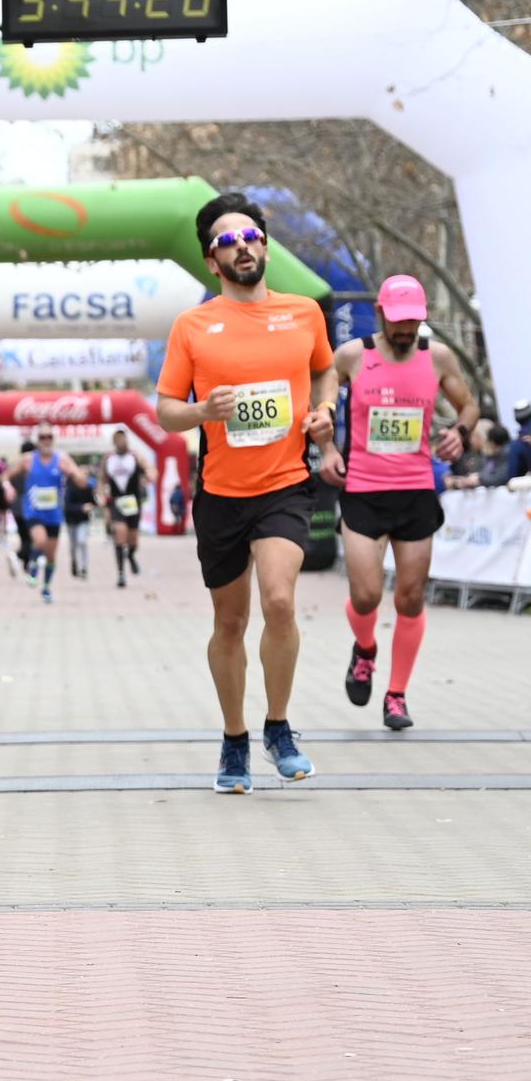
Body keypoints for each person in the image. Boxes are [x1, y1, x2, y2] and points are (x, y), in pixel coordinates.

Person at [156, 192, 335, 795]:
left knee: (280, 603)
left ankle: (278, 727)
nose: (243, 248)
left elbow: (324, 368)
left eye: (251, 237)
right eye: (227, 242)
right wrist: (202, 409)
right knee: (229, 622)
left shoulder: (304, 312)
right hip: (221, 493)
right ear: (212, 262)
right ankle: (235, 737)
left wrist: (326, 409)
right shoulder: (193, 325)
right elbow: (165, 411)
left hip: (285, 484)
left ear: (265, 244)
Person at [321, 276, 478, 731]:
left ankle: (396, 694)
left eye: (414, 321)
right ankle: (365, 650)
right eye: (399, 321)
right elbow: (323, 399)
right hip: (364, 490)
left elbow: (468, 405)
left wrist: (460, 432)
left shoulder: (439, 357)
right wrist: (329, 449)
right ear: (381, 315)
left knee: (409, 599)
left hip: (415, 489)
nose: (407, 329)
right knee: (366, 594)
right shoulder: (353, 355)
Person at [6, 426, 90, 603]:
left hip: (54, 514)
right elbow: (7, 475)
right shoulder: (28, 460)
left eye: (49, 436)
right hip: (33, 511)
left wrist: (73, 472)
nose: (46, 440)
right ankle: (33, 568)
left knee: (51, 556)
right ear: (38, 439)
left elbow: (82, 482)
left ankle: (46, 588)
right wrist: (8, 488)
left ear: (53, 439)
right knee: (40, 541)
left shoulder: (62, 459)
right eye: (42, 436)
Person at [99, 427, 157, 588]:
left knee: (133, 540)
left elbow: (151, 470)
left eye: (123, 439)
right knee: (119, 533)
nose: (121, 443)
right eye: (117, 440)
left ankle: (131, 555)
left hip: (133, 502)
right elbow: (102, 479)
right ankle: (121, 573)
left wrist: (150, 476)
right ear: (114, 442)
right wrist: (101, 495)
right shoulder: (108, 458)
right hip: (117, 502)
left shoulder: (135, 456)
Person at [62, 463, 97, 580]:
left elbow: (93, 502)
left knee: (82, 541)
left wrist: (95, 504)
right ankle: (74, 561)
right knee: (73, 545)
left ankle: (84, 567)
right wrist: (81, 507)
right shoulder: (70, 488)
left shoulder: (88, 488)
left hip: (83, 520)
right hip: (71, 520)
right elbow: (67, 506)